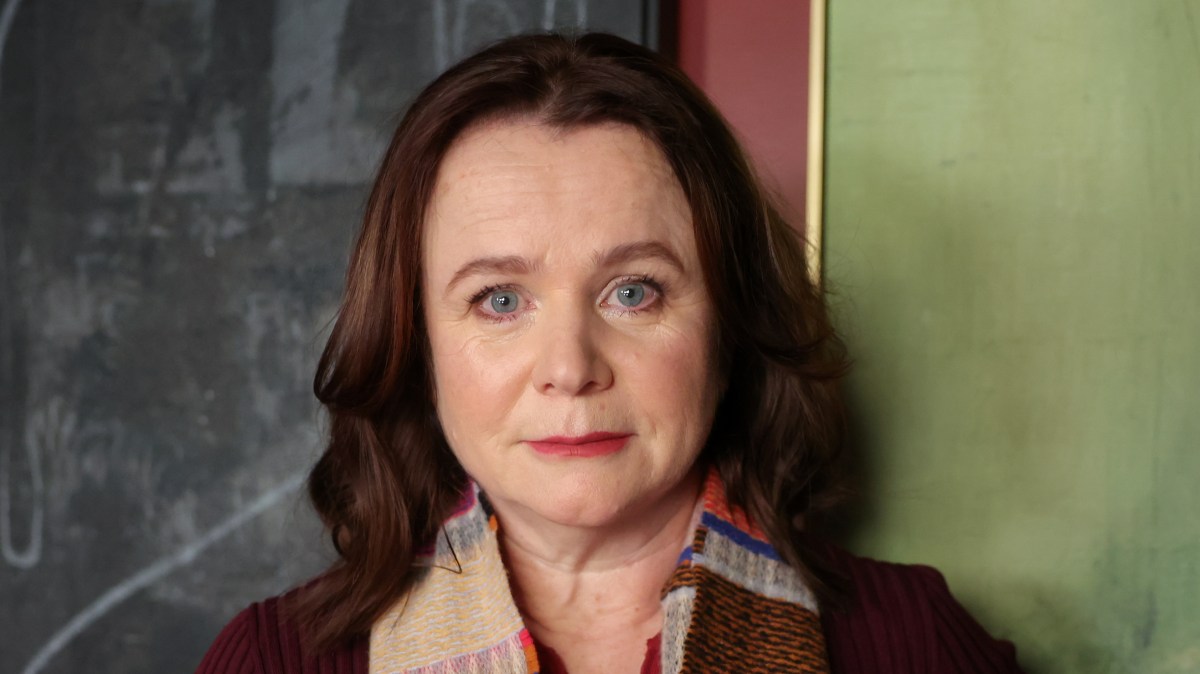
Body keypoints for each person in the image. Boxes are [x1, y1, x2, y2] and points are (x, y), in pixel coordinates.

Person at [197, 32, 1023, 674]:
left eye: (634, 292)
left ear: (731, 325)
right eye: (500, 299)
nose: (570, 368)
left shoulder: (914, 642)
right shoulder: (275, 661)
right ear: (416, 344)